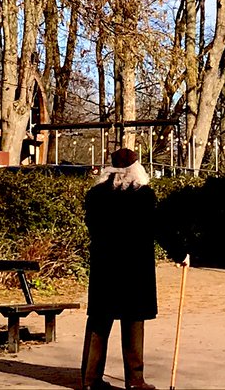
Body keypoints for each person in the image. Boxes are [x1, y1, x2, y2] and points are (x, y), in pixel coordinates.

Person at [80, 147, 157, 390]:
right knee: (133, 322)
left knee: (99, 322)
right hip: (135, 268)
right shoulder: (144, 195)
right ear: (137, 169)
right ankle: (135, 380)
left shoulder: (96, 195)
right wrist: (181, 253)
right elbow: (156, 228)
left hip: (105, 266)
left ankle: (90, 379)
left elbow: (92, 227)